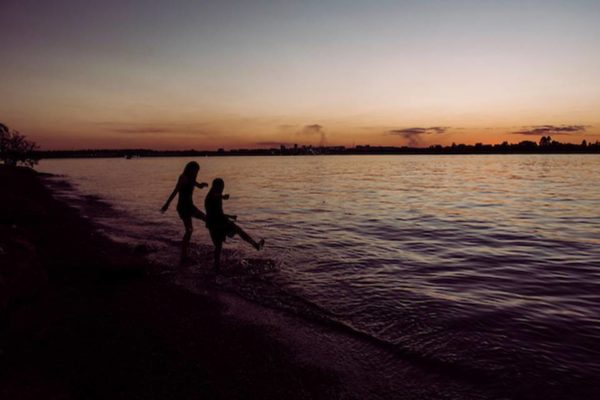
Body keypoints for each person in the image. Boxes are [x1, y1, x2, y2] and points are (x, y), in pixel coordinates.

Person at [205, 178, 264, 270]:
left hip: (214, 223)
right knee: (237, 233)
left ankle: (216, 266)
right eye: (221, 187)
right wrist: (222, 197)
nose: (222, 189)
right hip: (217, 224)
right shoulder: (212, 196)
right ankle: (255, 245)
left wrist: (230, 216)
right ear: (216, 186)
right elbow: (214, 200)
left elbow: (216, 213)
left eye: (223, 187)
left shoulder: (214, 196)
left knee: (219, 245)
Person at [161, 161, 208, 262]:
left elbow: (198, 185)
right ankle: (183, 256)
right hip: (183, 207)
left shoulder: (191, 178)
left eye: (197, 171)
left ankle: (185, 254)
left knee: (205, 219)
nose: (196, 172)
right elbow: (175, 191)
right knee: (189, 230)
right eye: (195, 170)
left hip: (190, 206)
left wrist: (202, 185)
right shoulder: (183, 177)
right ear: (190, 169)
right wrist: (167, 204)